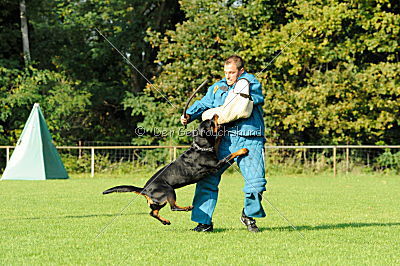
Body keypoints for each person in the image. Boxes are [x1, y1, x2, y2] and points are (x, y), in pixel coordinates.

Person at [181, 55, 267, 232]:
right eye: (226, 72)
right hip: (223, 139)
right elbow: (204, 103)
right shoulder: (217, 87)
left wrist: (242, 82)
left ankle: (248, 215)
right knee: (207, 178)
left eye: (232, 72)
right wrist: (190, 114)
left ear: (241, 71)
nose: (228, 76)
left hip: (249, 137)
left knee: (256, 183)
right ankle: (203, 222)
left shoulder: (250, 83)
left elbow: (248, 101)